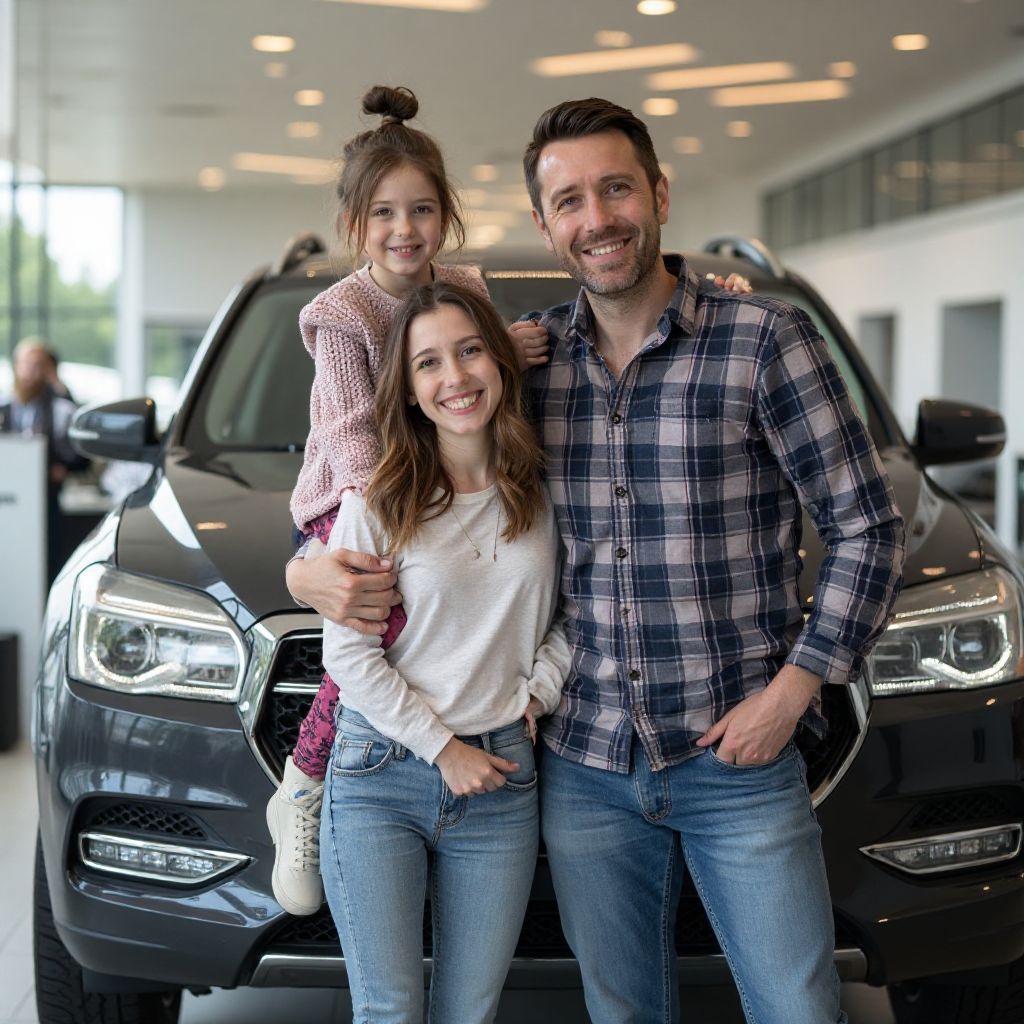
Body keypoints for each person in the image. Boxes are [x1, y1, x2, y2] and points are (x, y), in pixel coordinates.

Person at [289, 97, 906, 1024]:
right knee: (620, 1010)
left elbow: (869, 526)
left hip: (736, 751)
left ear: (658, 193)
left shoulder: (762, 341)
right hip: (580, 764)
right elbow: (430, 454)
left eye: (616, 188)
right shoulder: (524, 371)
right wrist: (305, 571)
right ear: (545, 226)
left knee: (797, 1004)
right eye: (569, 200)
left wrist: (795, 693)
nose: (597, 217)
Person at [265, 84, 550, 917]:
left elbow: (477, 377)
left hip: (445, 493)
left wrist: (521, 348)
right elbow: (354, 436)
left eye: (422, 209)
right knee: (378, 617)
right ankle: (307, 782)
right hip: (354, 496)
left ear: (447, 215)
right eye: (384, 213)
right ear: (357, 224)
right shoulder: (340, 312)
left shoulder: (466, 282)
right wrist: (382, 526)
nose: (405, 230)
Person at [320, 280, 569, 1023]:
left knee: (470, 1011)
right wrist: (442, 749)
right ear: (408, 388)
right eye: (428, 363)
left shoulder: (542, 488)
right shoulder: (379, 499)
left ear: (499, 361)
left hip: (501, 779)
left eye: (469, 352)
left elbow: (575, 618)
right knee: (390, 1009)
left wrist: (540, 690)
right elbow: (350, 657)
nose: (454, 378)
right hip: (379, 778)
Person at [0, 336, 88, 582]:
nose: (31, 371)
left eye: (39, 365)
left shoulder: (61, 410)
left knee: (45, 568)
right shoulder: (4, 408)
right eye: (26, 363)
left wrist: (62, 469)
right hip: (7, 506)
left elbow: (80, 457)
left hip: (46, 506)